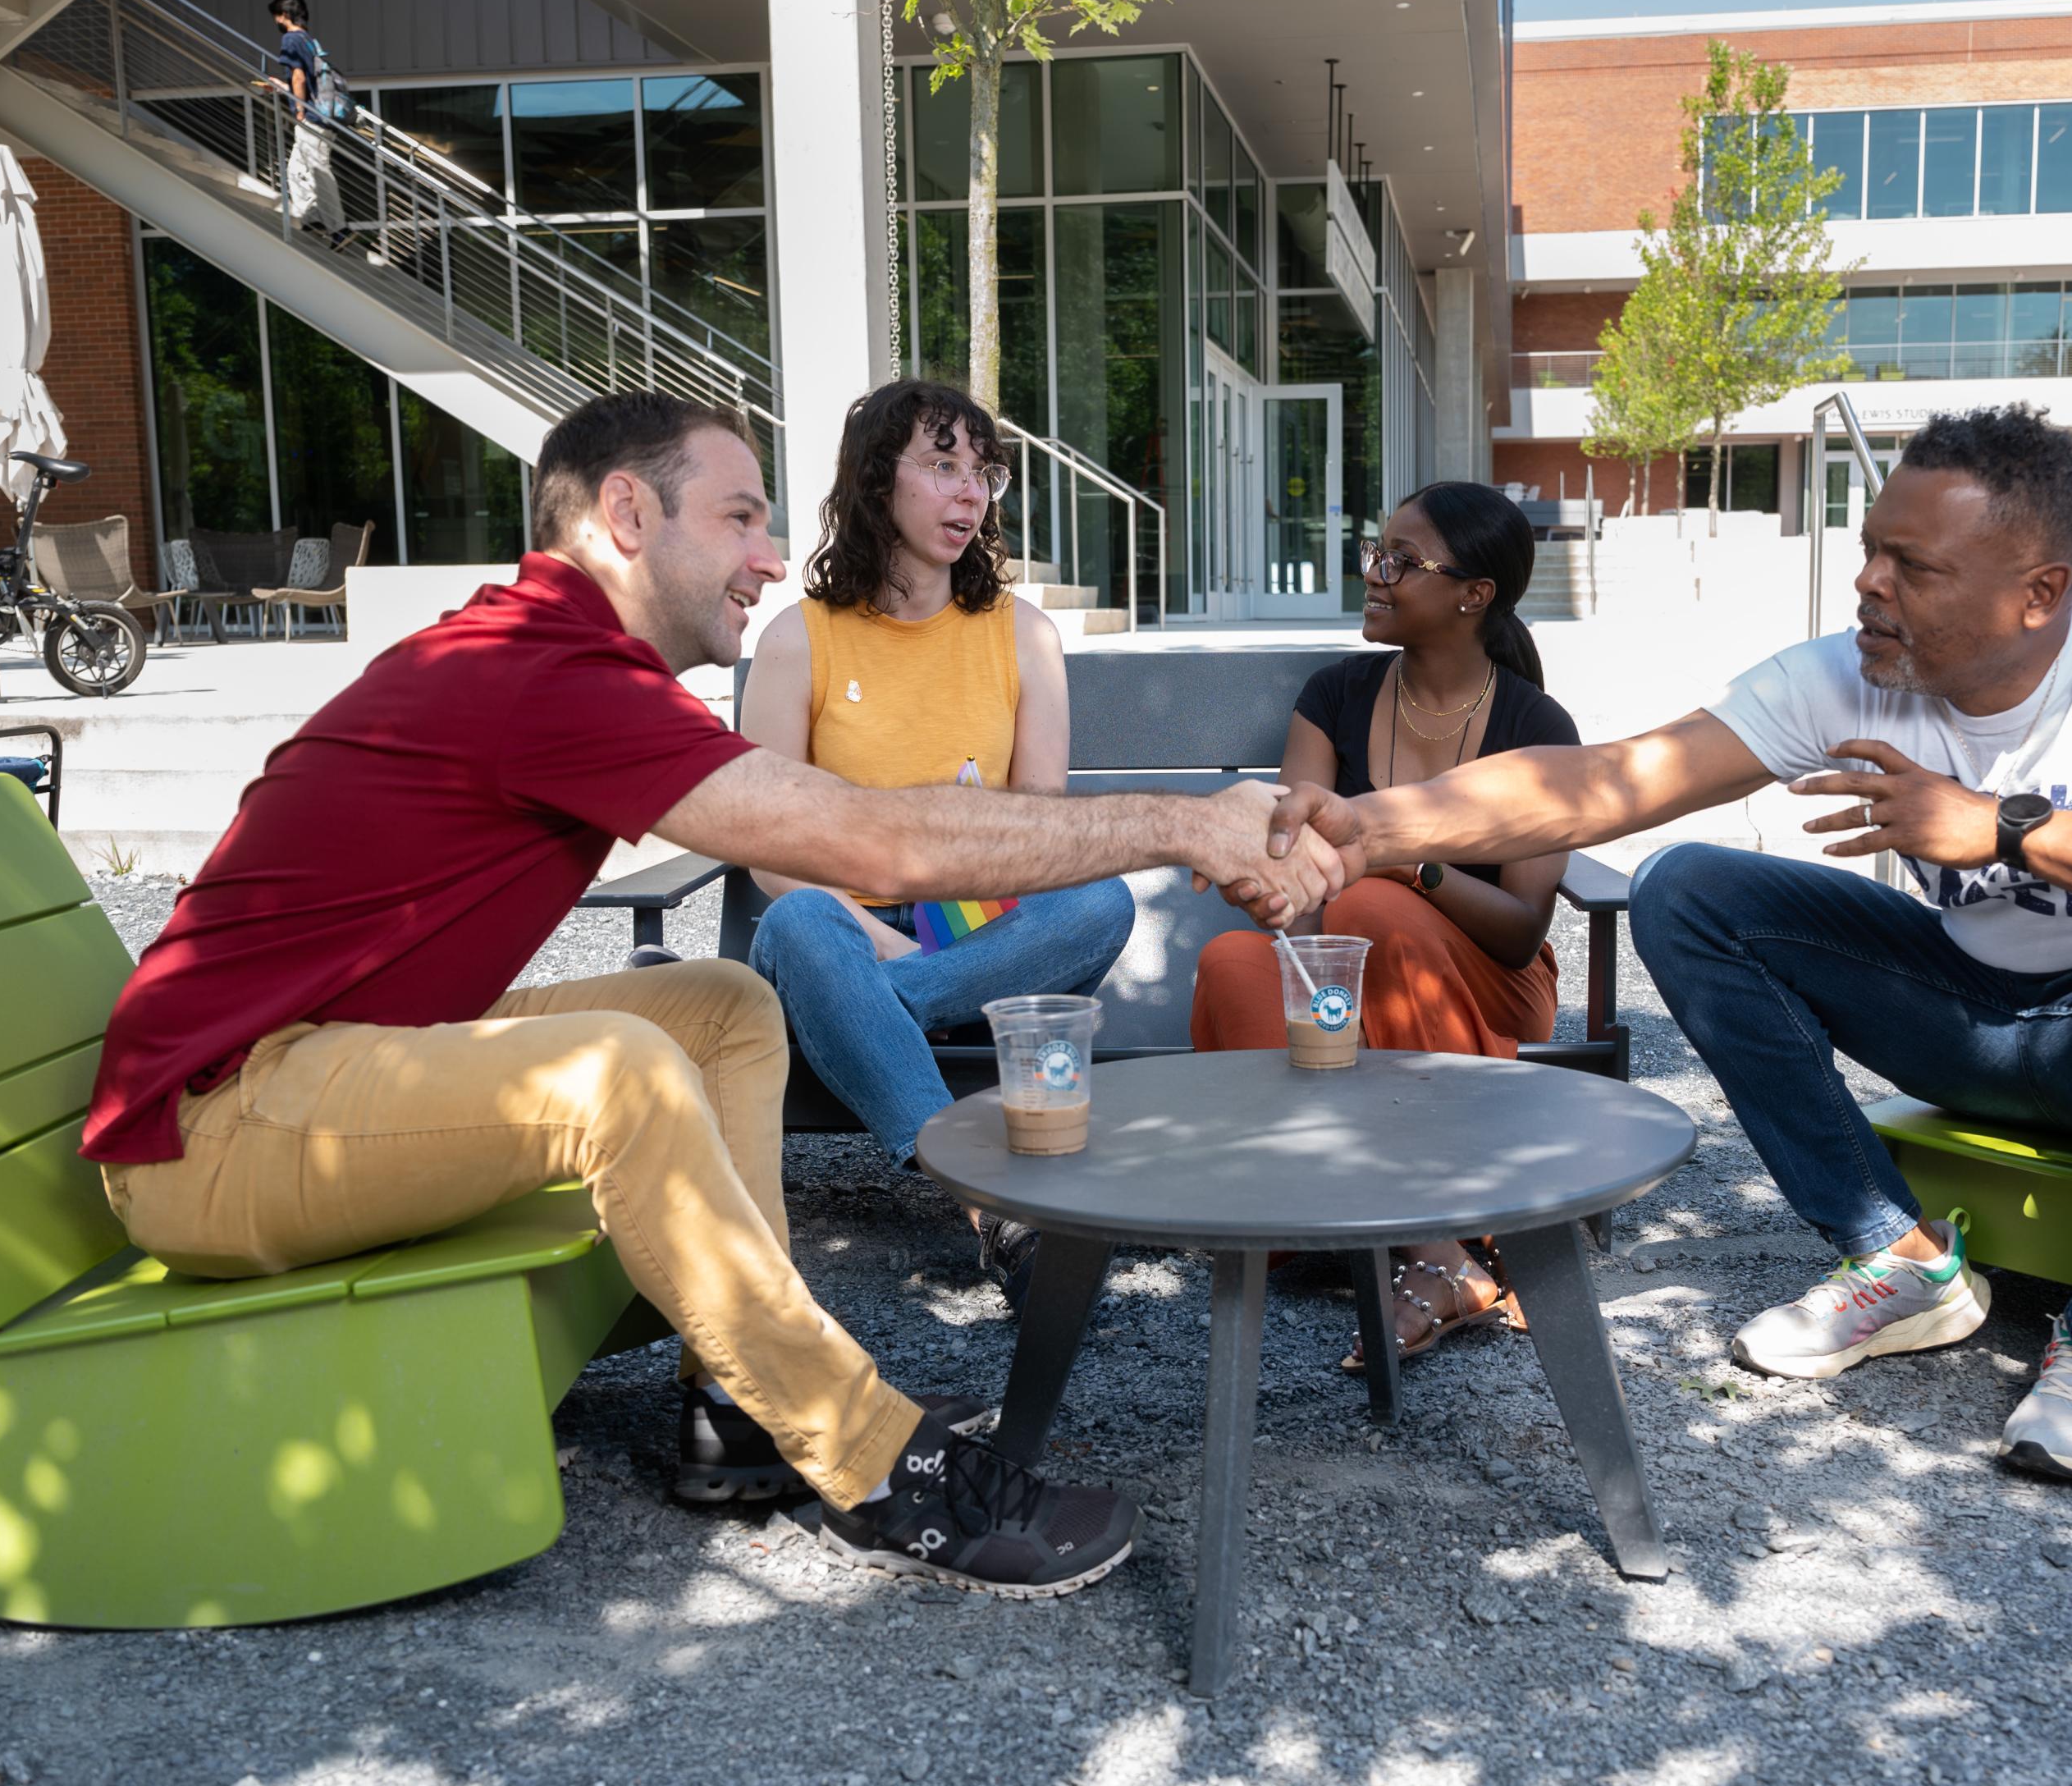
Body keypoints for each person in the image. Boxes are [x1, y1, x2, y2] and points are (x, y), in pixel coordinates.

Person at [80, 392, 1345, 1597]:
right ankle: (866, 1462)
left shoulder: (553, 656)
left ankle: (738, 1404)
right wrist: (1189, 823)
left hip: (327, 1064)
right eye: (739, 517)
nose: (770, 555)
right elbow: (869, 840)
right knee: (619, 1072)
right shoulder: (537, 670)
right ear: (626, 516)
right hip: (215, 1129)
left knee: (723, 1006)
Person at [1253, 406, 2072, 1484]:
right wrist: (1370, 829)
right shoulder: (1854, 668)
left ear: (2040, 593)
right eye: (1872, 549)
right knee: (1689, 889)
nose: (1869, 583)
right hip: (1989, 1019)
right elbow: (1605, 782)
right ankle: (1897, 1256)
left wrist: (2009, 828)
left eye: (1912, 567)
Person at [741, 382, 1137, 1268]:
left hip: (980, 935)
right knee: (800, 921)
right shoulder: (799, 640)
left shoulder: (1023, 635)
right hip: (837, 932)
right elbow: (767, 845)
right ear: (877, 480)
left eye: (983, 472)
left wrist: (912, 964)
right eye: (943, 465)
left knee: (1103, 901)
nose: (971, 491)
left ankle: (884, 1010)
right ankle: (989, 1206)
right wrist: (874, 939)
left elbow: (1040, 837)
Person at [1187, 483, 1576, 1371]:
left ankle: (1428, 1217)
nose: (1374, 573)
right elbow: (1298, 883)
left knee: (1371, 906)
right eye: (1376, 550)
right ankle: (1431, 1250)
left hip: (1485, 989)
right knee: (1235, 962)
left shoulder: (1534, 724)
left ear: (1473, 594)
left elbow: (1521, 929)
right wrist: (1264, 883)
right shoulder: (1336, 694)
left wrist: (1407, 862)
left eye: (1402, 561)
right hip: (1346, 970)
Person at [268, 0, 348, 250]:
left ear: (284, 15)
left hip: (312, 119)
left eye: (277, 16)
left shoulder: (291, 39)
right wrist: (282, 87)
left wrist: (300, 112)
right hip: (320, 116)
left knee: (317, 170)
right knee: (295, 170)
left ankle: (339, 228)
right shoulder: (309, 40)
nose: (276, 22)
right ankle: (314, 220)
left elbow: (300, 77)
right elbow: (303, 80)